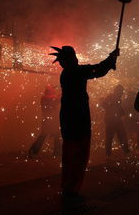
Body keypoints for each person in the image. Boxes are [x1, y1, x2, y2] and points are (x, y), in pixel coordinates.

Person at [49, 45, 119, 201]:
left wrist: (110, 60)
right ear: (72, 58)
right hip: (78, 119)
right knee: (78, 156)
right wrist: (111, 58)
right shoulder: (75, 72)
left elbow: (96, 70)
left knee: (70, 156)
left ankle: (68, 187)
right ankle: (72, 189)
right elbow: (97, 70)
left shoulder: (67, 73)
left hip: (68, 119)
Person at [28, 86, 61, 157]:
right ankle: (33, 150)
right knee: (45, 136)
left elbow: (56, 100)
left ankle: (57, 152)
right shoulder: (47, 98)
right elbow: (56, 100)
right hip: (50, 121)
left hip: (49, 120)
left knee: (54, 135)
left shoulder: (45, 98)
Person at [101, 84, 130, 157]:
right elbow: (104, 104)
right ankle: (109, 155)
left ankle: (125, 152)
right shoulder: (111, 97)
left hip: (116, 120)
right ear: (118, 91)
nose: (122, 93)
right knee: (111, 138)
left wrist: (121, 112)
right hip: (111, 121)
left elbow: (117, 108)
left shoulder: (118, 98)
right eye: (121, 92)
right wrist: (111, 106)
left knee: (120, 136)